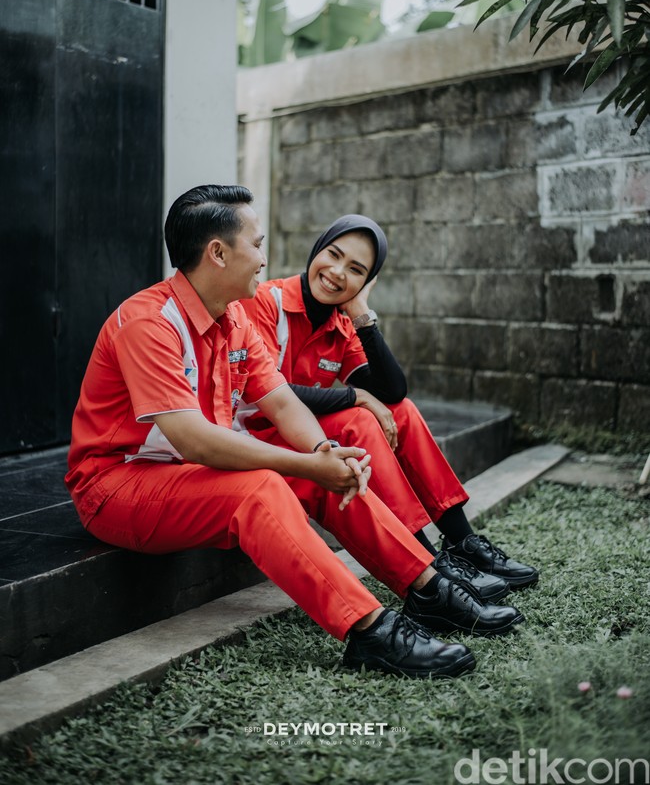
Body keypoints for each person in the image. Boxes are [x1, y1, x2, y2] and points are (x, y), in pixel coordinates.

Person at [66, 185, 524, 681]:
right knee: (264, 486)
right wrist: (308, 464)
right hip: (116, 486)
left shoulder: (233, 316)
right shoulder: (149, 322)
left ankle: (429, 588)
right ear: (217, 253)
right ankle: (371, 631)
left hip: (186, 475)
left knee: (321, 469)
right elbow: (192, 439)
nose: (264, 258)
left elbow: (281, 400)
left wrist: (324, 453)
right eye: (256, 244)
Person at [238, 214, 539, 600]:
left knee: (403, 413)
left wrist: (361, 313)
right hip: (259, 436)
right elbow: (267, 392)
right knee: (360, 418)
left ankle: (462, 542)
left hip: (306, 436)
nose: (336, 272)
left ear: (366, 282)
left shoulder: (340, 323)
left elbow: (393, 390)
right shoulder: (266, 302)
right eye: (333, 255)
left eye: (356, 270)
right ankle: (427, 564)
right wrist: (357, 396)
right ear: (317, 249)